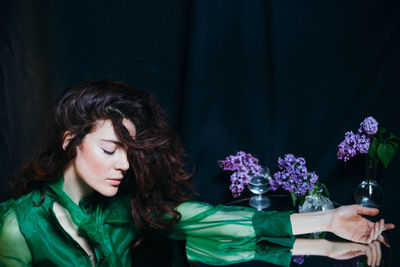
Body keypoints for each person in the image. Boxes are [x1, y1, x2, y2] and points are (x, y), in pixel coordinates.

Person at [0, 81, 394, 267]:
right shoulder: (19, 225)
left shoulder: (123, 210)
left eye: (130, 152)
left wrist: (327, 232)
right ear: (72, 141)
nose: (124, 164)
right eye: (110, 149)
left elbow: (217, 227)